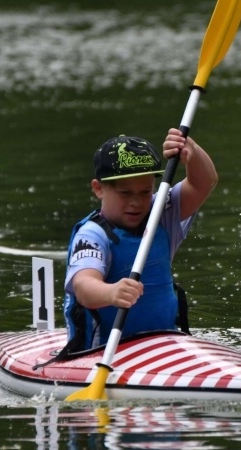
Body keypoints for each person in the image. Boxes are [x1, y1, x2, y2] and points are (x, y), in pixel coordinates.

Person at [62, 129, 218, 352]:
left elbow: (204, 183)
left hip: (165, 344)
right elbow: (84, 287)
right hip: (103, 352)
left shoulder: (160, 215)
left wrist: (190, 149)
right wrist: (112, 292)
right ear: (99, 189)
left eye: (145, 192)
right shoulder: (92, 235)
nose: (136, 202)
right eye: (125, 194)